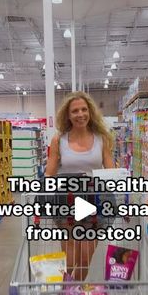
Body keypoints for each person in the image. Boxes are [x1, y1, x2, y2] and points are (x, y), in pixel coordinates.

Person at [45, 91, 114, 281]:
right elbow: (49, 172)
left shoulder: (102, 139)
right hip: (66, 200)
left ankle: (71, 290)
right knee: (71, 254)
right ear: (67, 115)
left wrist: (122, 188)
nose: (80, 114)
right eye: (75, 110)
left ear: (90, 112)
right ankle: (70, 292)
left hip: (95, 200)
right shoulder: (59, 140)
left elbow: (110, 172)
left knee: (86, 254)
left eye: (84, 109)